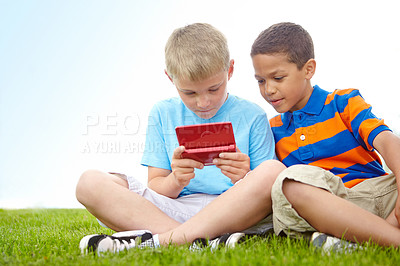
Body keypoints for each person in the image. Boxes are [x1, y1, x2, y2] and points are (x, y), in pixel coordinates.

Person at [77, 23, 285, 254]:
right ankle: (201, 240)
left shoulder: (253, 115)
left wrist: (244, 176)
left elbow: (267, 195)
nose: (203, 102)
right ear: (170, 78)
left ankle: (162, 241)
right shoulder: (162, 113)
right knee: (89, 183)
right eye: (190, 93)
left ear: (230, 70)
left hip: (235, 212)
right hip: (176, 208)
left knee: (272, 171)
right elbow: (157, 186)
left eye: (214, 89)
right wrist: (176, 179)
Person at [250, 22, 400, 252]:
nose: (268, 89)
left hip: (378, 195)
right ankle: (390, 239)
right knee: (290, 183)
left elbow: (388, 142)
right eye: (260, 81)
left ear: (308, 69)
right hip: (322, 210)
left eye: (278, 78)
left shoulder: (343, 102)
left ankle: (369, 238)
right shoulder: (271, 129)